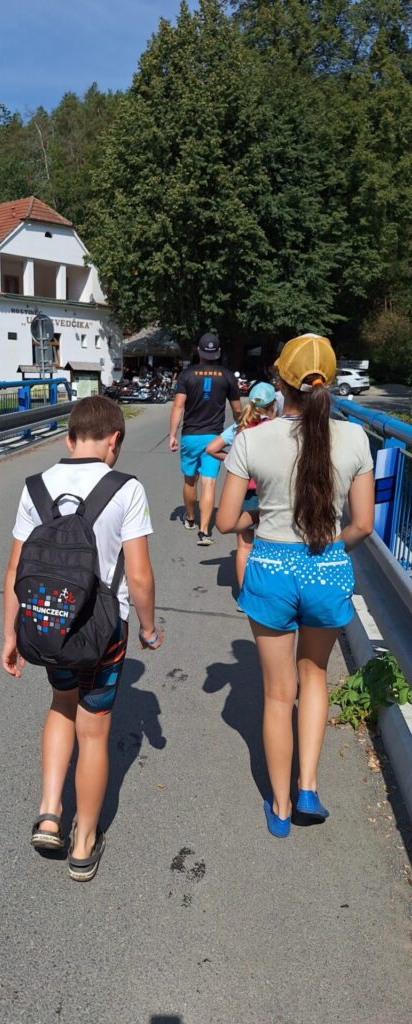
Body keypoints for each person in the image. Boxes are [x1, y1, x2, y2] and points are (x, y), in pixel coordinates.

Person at [216, 334, 374, 838]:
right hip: (326, 569)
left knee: (278, 694)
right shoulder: (355, 439)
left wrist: (261, 517)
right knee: (315, 679)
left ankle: (280, 807)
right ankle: (308, 788)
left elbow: (225, 521)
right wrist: (327, 549)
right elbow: (363, 524)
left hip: (271, 570)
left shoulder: (251, 440)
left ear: (279, 381)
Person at [1, 396, 162, 881]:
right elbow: (139, 576)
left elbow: (15, 570)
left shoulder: (36, 486)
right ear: (115, 439)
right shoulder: (126, 488)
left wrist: (9, 634)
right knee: (94, 730)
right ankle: (84, 842)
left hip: (50, 623)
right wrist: (149, 628)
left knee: (60, 704)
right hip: (103, 631)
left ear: (69, 438)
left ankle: (50, 812)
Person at [205, 382, 278, 598]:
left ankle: (245, 596)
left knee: (244, 546)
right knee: (270, 544)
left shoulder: (240, 426)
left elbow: (211, 448)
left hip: (244, 491)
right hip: (269, 491)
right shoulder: (276, 427)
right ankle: (268, 595)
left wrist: (234, 460)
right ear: (273, 404)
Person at [169, 332, 241, 546]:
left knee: (190, 480)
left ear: (199, 351)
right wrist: (241, 429)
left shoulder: (187, 375)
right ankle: (204, 532)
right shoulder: (228, 376)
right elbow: (237, 410)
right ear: (218, 352)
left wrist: (172, 434)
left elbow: (178, 406)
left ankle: (191, 518)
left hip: (190, 436)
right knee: (209, 483)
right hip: (214, 438)